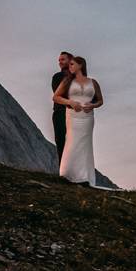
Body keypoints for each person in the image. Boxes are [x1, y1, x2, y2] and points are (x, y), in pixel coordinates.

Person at [52, 55, 104, 185]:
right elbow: (56, 97)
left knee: (85, 144)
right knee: (71, 142)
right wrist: (70, 102)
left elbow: (100, 101)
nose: (69, 67)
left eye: (72, 64)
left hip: (88, 118)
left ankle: (84, 176)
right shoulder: (66, 81)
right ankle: (66, 173)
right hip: (73, 115)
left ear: (80, 65)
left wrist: (93, 105)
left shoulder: (93, 82)